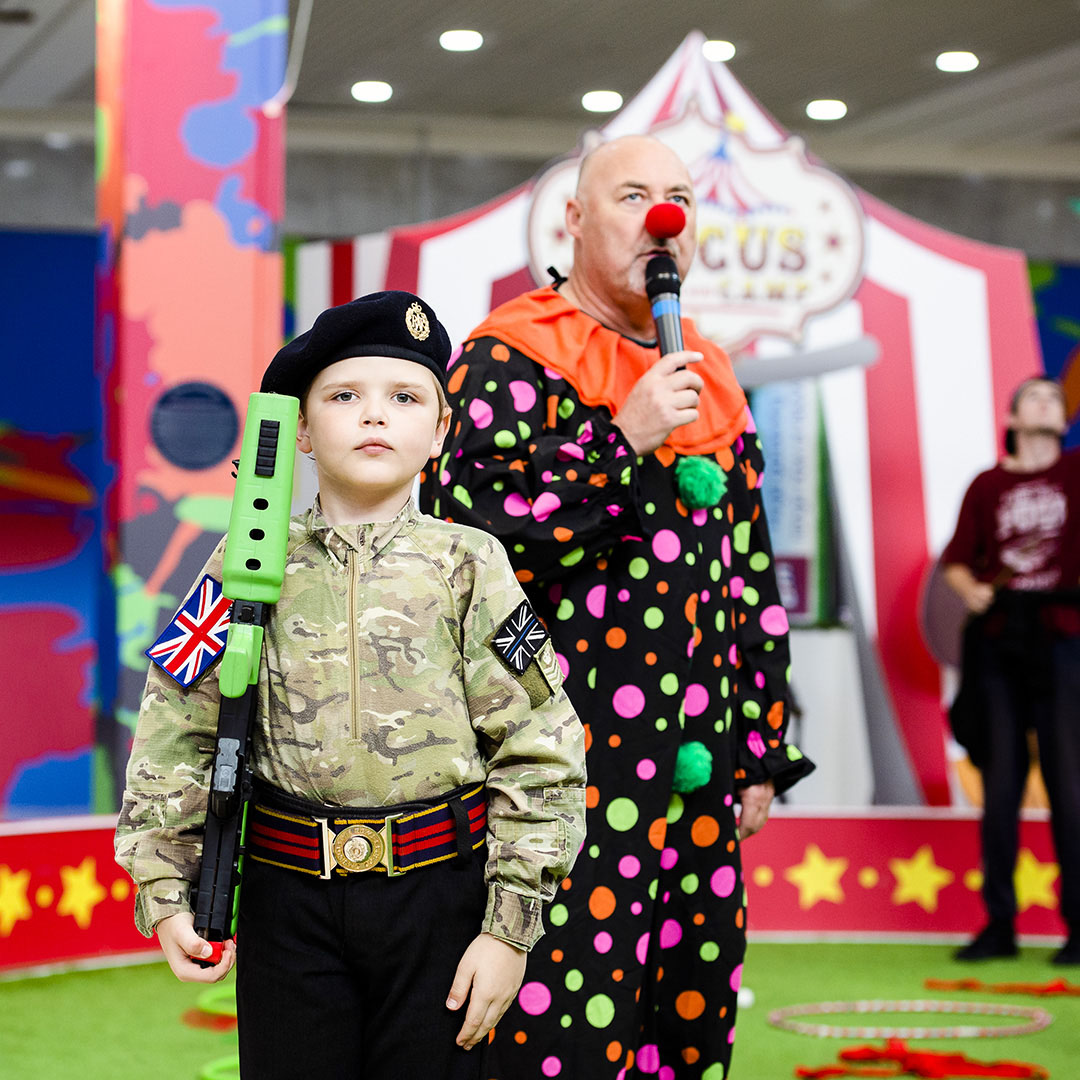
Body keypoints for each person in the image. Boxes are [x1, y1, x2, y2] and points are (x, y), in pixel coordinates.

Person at [419, 135, 814, 1079]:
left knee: (689, 1013)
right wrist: (622, 437)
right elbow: (472, 533)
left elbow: (747, 581)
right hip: (560, 763)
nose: (662, 215)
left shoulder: (709, 373)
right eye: (633, 193)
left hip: (698, 772)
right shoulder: (509, 352)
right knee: (561, 1020)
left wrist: (756, 745)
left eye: (678, 195)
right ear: (577, 221)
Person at [115, 291, 587, 1080]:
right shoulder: (246, 565)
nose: (375, 416)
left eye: (405, 398)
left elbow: (540, 747)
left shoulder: (471, 565)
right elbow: (178, 726)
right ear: (301, 430)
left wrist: (509, 930)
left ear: (440, 431)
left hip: (440, 899)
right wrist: (166, 890)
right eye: (344, 396)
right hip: (285, 901)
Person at [943, 375, 1080, 964]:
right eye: (1036, 398)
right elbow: (956, 562)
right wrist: (969, 589)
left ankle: (1079, 927)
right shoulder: (988, 483)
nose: (1049, 403)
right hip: (999, 645)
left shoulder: (1076, 473)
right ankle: (999, 924)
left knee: (1069, 783)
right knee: (1001, 785)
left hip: (1065, 641)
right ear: (1014, 416)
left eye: (1056, 398)